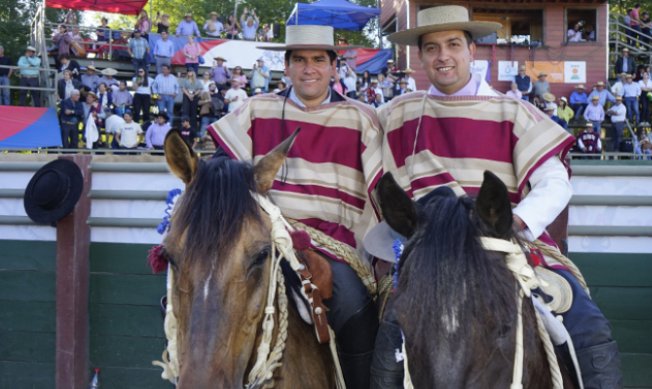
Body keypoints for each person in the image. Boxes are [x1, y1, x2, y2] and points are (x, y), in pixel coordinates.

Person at [374, 5, 621, 388]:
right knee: (390, 335)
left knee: (587, 324)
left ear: (472, 51)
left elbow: (555, 182)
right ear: (420, 57)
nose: (443, 56)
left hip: (504, 252)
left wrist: (517, 222)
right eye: (432, 47)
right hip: (429, 260)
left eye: (453, 44)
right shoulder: (396, 115)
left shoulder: (514, 112)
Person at [208, 24, 382, 389]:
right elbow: (219, 169)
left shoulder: (362, 118)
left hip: (333, 242)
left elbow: (380, 190)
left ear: (334, 67)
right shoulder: (257, 110)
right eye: (299, 60)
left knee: (353, 303)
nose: (309, 68)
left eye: (319, 59)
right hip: (264, 235)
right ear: (285, 67)